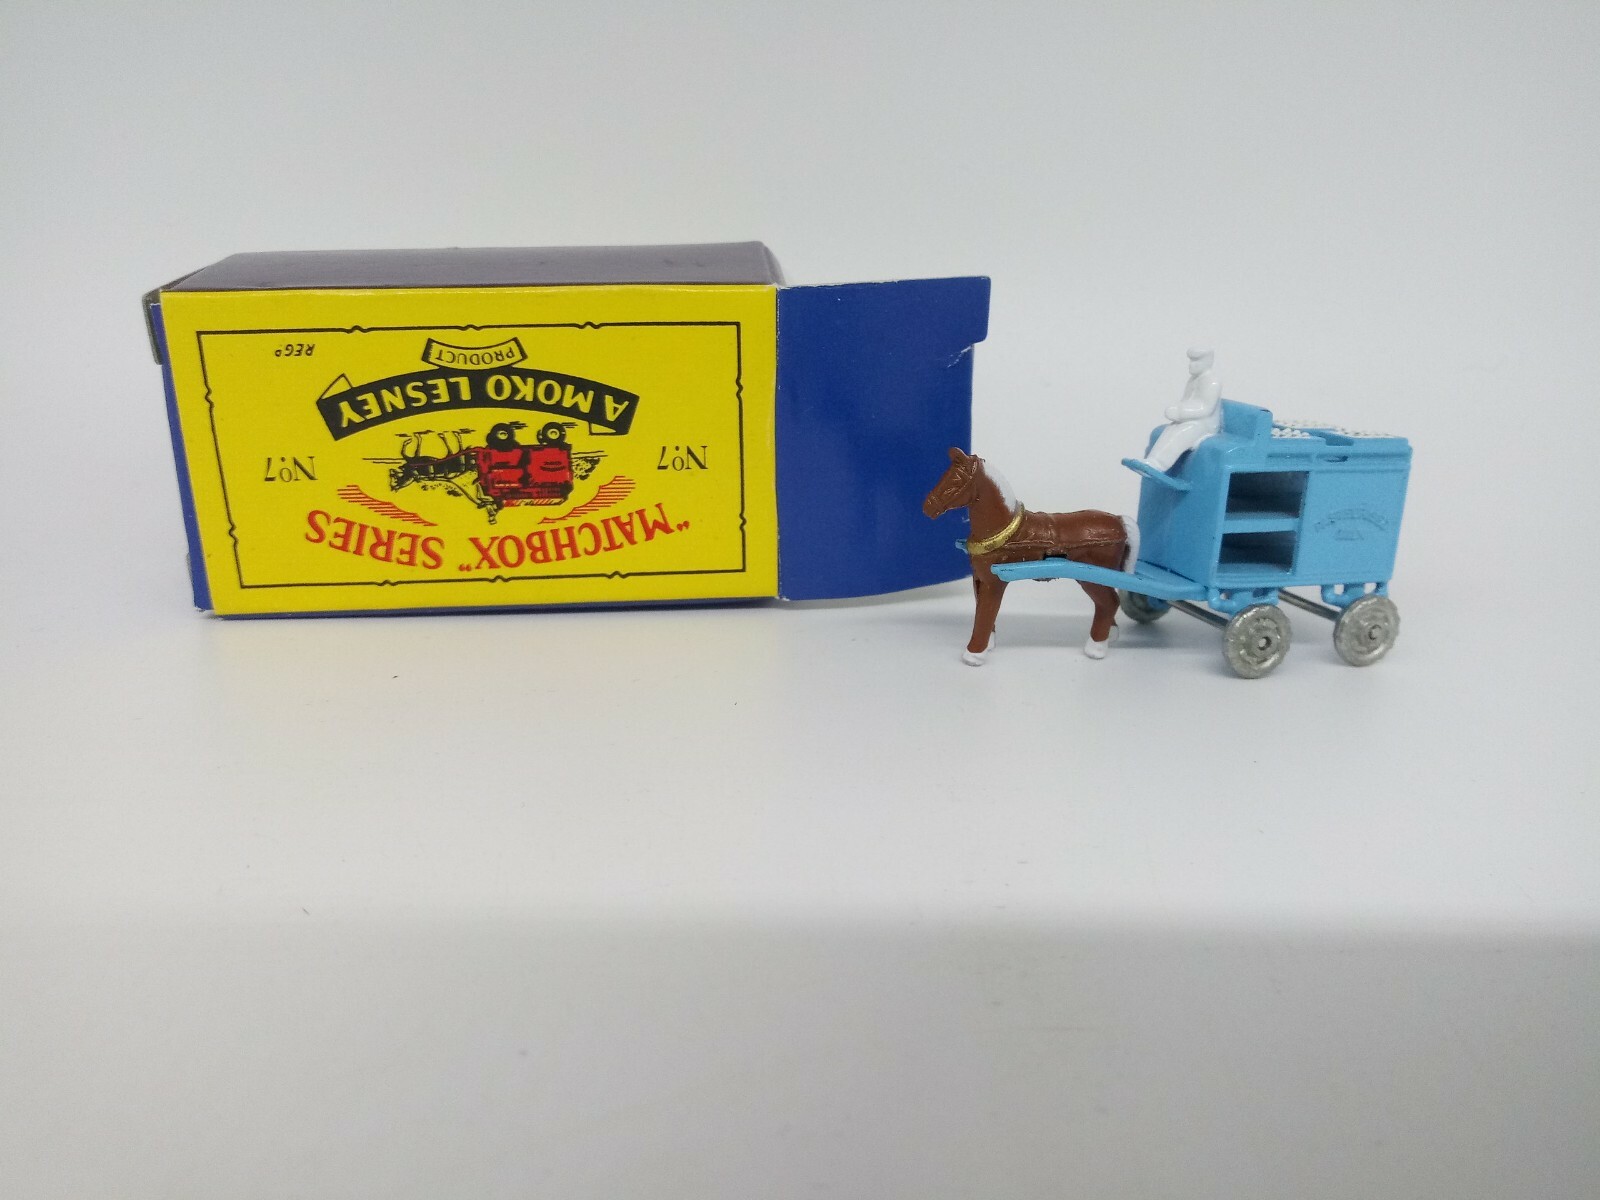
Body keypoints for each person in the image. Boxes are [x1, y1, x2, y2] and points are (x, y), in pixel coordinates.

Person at [1138, 348, 1221, 472]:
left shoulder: (1212, 382)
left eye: (1196, 361)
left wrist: (1180, 412)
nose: (1191, 365)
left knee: (1182, 433)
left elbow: (1205, 408)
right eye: (1191, 361)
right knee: (1171, 429)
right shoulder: (1192, 381)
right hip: (1193, 419)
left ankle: (1159, 464)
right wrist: (1177, 411)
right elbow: (1186, 400)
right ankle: (1152, 460)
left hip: (1205, 424)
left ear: (1208, 362)